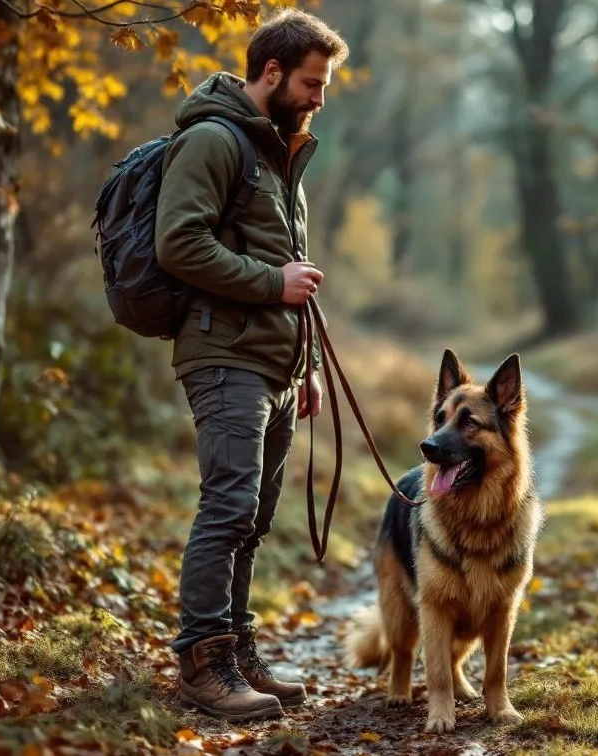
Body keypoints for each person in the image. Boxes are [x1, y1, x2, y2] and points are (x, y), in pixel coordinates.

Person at [153, 8, 348, 723]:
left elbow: (292, 274)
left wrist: (310, 367)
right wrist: (272, 286)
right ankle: (203, 664)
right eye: (311, 82)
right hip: (223, 354)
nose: (320, 98)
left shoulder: (279, 157)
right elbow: (179, 243)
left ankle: (238, 652)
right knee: (229, 508)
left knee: (256, 518)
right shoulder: (213, 140)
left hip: (275, 363)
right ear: (271, 73)